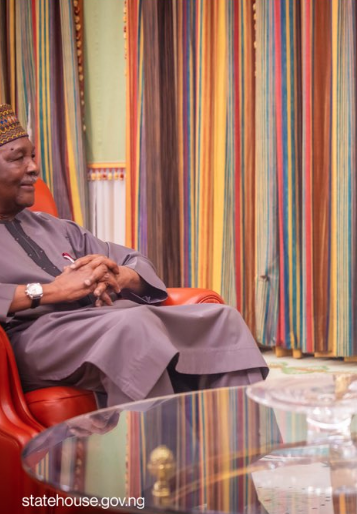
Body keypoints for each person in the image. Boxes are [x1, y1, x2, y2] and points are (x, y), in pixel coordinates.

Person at [0, 103, 268, 406]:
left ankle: (245, 443)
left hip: (103, 319)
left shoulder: (55, 227)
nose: (34, 167)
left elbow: (129, 259)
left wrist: (121, 275)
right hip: (35, 338)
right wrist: (49, 291)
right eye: (17, 158)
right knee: (134, 327)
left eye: (32, 156)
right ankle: (159, 451)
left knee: (221, 320)